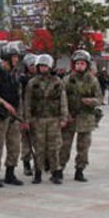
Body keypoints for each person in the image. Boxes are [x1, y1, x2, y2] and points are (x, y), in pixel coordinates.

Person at [22, 54, 68, 184]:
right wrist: (27, 119)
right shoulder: (33, 83)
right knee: (39, 147)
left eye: (45, 66)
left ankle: (55, 172)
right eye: (41, 66)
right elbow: (27, 102)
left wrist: (64, 117)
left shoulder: (57, 82)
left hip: (53, 119)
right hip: (38, 119)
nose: (43, 68)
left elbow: (63, 100)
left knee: (54, 147)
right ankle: (38, 172)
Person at [59, 50, 102, 182]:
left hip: (86, 117)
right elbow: (61, 99)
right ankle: (59, 169)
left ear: (87, 65)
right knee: (64, 145)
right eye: (77, 63)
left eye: (82, 63)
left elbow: (99, 98)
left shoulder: (92, 80)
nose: (80, 66)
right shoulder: (67, 80)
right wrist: (64, 116)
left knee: (83, 146)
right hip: (70, 117)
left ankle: (80, 170)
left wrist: (91, 101)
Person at [0, 43, 24, 186]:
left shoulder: (15, 74)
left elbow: (19, 95)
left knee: (14, 145)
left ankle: (10, 172)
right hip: (0, 115)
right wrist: (3, 103)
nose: (16, 59)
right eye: (14, 57)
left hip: (13, 116)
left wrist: (21, 115)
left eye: (17, 57)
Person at [19, 54, 38, 177]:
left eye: (34, 65)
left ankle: (40, 163)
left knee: (40, 141)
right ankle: (26, 163)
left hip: (40, 113)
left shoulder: (42, 78)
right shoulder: (22, 79)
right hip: (26, 111)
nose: (33, 68)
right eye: (30, 65)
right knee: (26, 141)